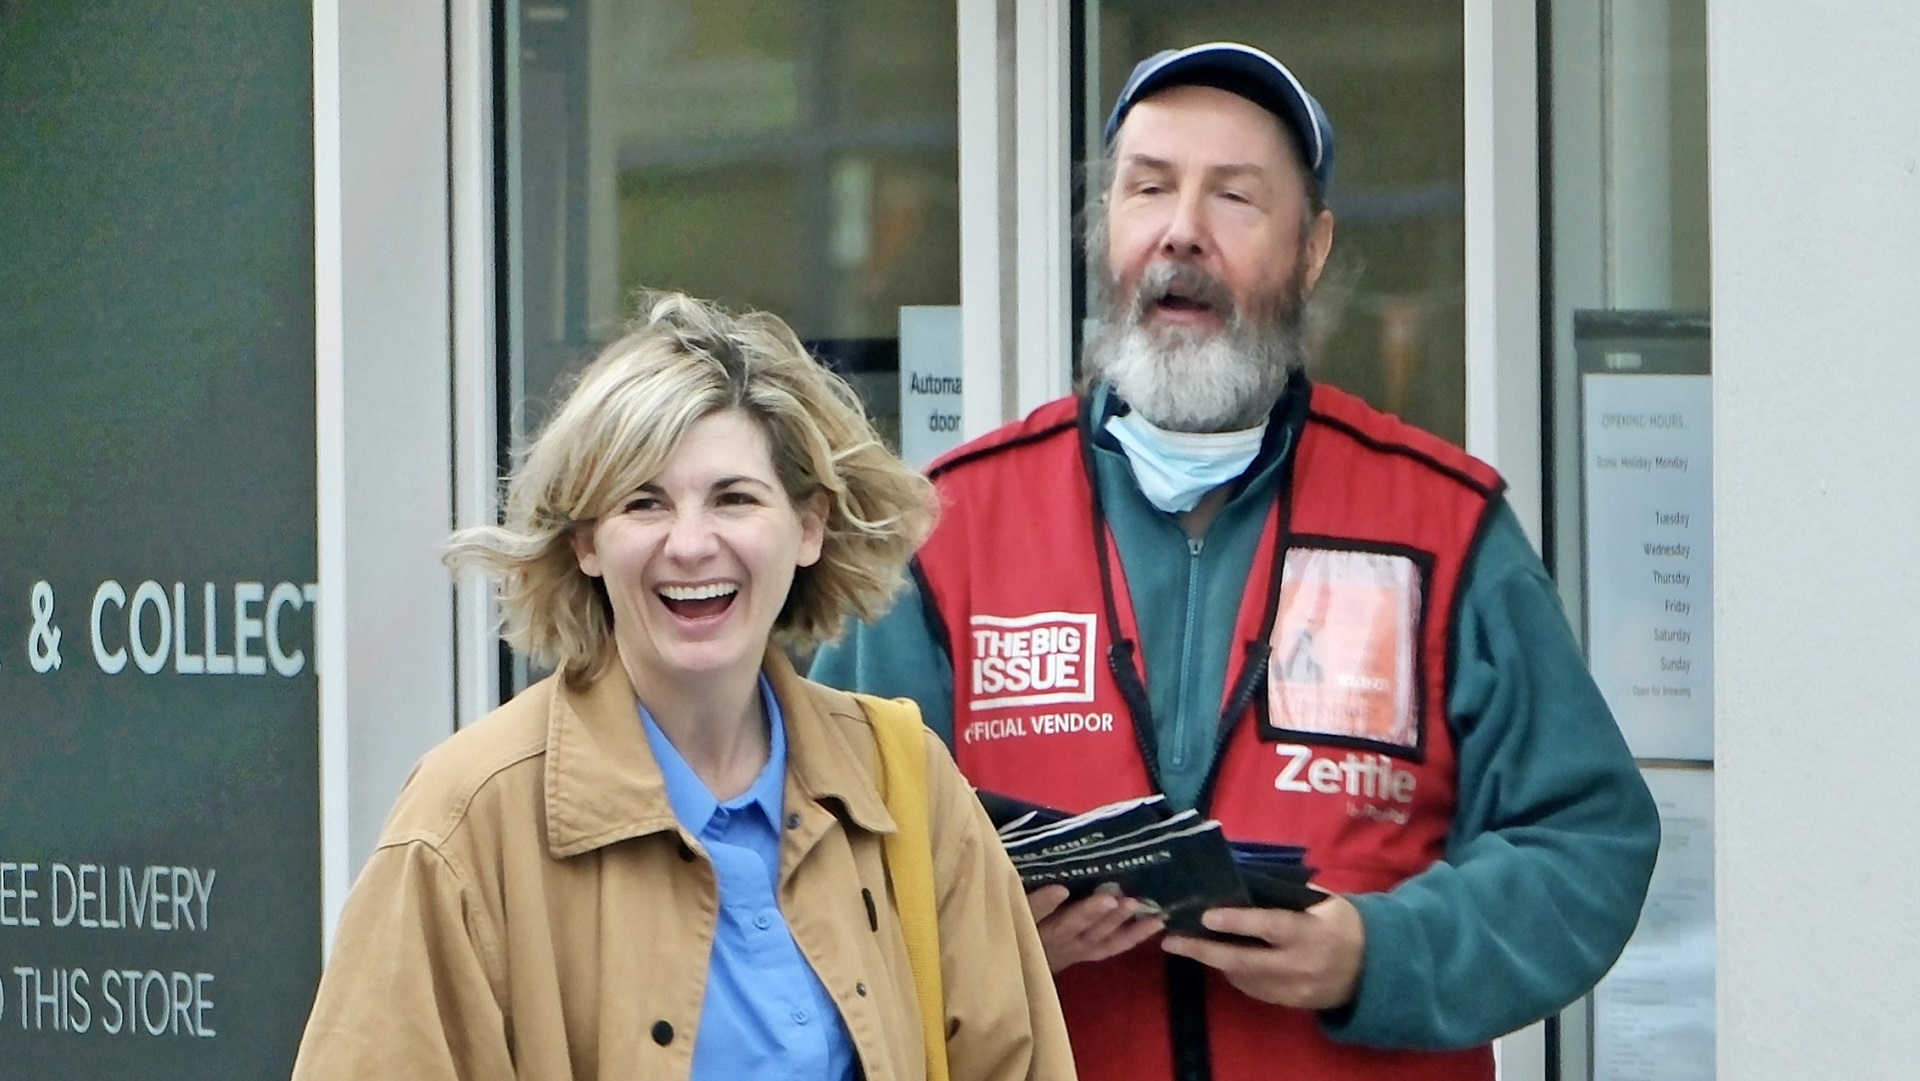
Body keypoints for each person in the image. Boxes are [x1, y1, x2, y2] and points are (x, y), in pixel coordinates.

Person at [811, 41, 1659, 1081]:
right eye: (1149, 189)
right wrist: (985, 939)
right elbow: (822, 850)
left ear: (1312, 249)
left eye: (1236, 197)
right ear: (1106, 233)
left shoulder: (1442, 525)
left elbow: (1585, 840)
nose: (1183, 232)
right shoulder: (949, 529)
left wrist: (1380, 953)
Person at [292, 292, 1075, 1081]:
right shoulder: (466, 821)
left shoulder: (905, 783)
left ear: (808, 525)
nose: (691, 544)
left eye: (734, 498)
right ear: (586, 542)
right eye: (644, 502)